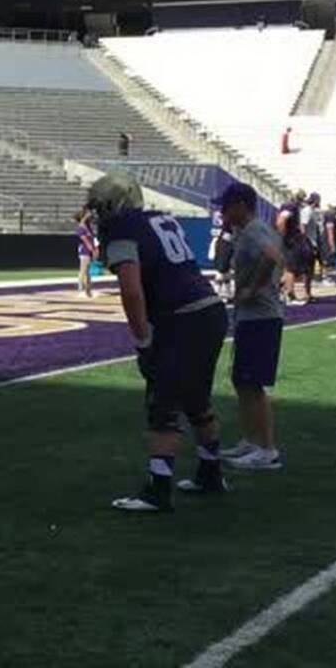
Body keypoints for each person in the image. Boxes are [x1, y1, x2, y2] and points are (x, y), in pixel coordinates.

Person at [88, 174, 229, 513]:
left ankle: (158, 489)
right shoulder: (160, 219)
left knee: (162, 402)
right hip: (209, 311)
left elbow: (132, 290)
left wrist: (142, 340)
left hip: (181, 317)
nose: (96, 213)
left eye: (101, 205)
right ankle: (210, 472)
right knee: (196, 398)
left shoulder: (121, 227)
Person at [214, 183, 285, 470]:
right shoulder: (249, 231)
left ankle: (267, 449)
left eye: (227, 206)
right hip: (252, 316)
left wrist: (252, 289)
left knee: (253, 383)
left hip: (261, 316)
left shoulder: (255, 231)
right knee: (242, 380)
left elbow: (272, 257)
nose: (223, 212)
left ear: (241, 205)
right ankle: (252, 440)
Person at [277, 191, 312, 304]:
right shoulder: (290, 207)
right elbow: (281, 221)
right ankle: (290, 296)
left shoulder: (291, 206)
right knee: (291, 268)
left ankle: (280, 291)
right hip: (291, 241)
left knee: (289, 269)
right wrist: (284, 236)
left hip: (291, 240)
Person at [75, 208, 98, 298]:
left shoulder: (88, 227)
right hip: (84, 251)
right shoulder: (80, 228)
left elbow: (93, 238)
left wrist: (96, 248)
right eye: (87, 214)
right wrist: (92, 250)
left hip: (89, 250)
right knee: (83, 269)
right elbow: (85, 241)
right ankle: (80, 288)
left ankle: (88, 290)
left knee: (88, 271)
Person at [323, 203, 336, 278]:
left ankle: (326, 276)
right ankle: (326, 277)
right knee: (329, 261)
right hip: (328, 243)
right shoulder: (331, 216)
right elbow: (330, 230)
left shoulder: (327, 214)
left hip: (326, 241)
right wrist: (332, 245)